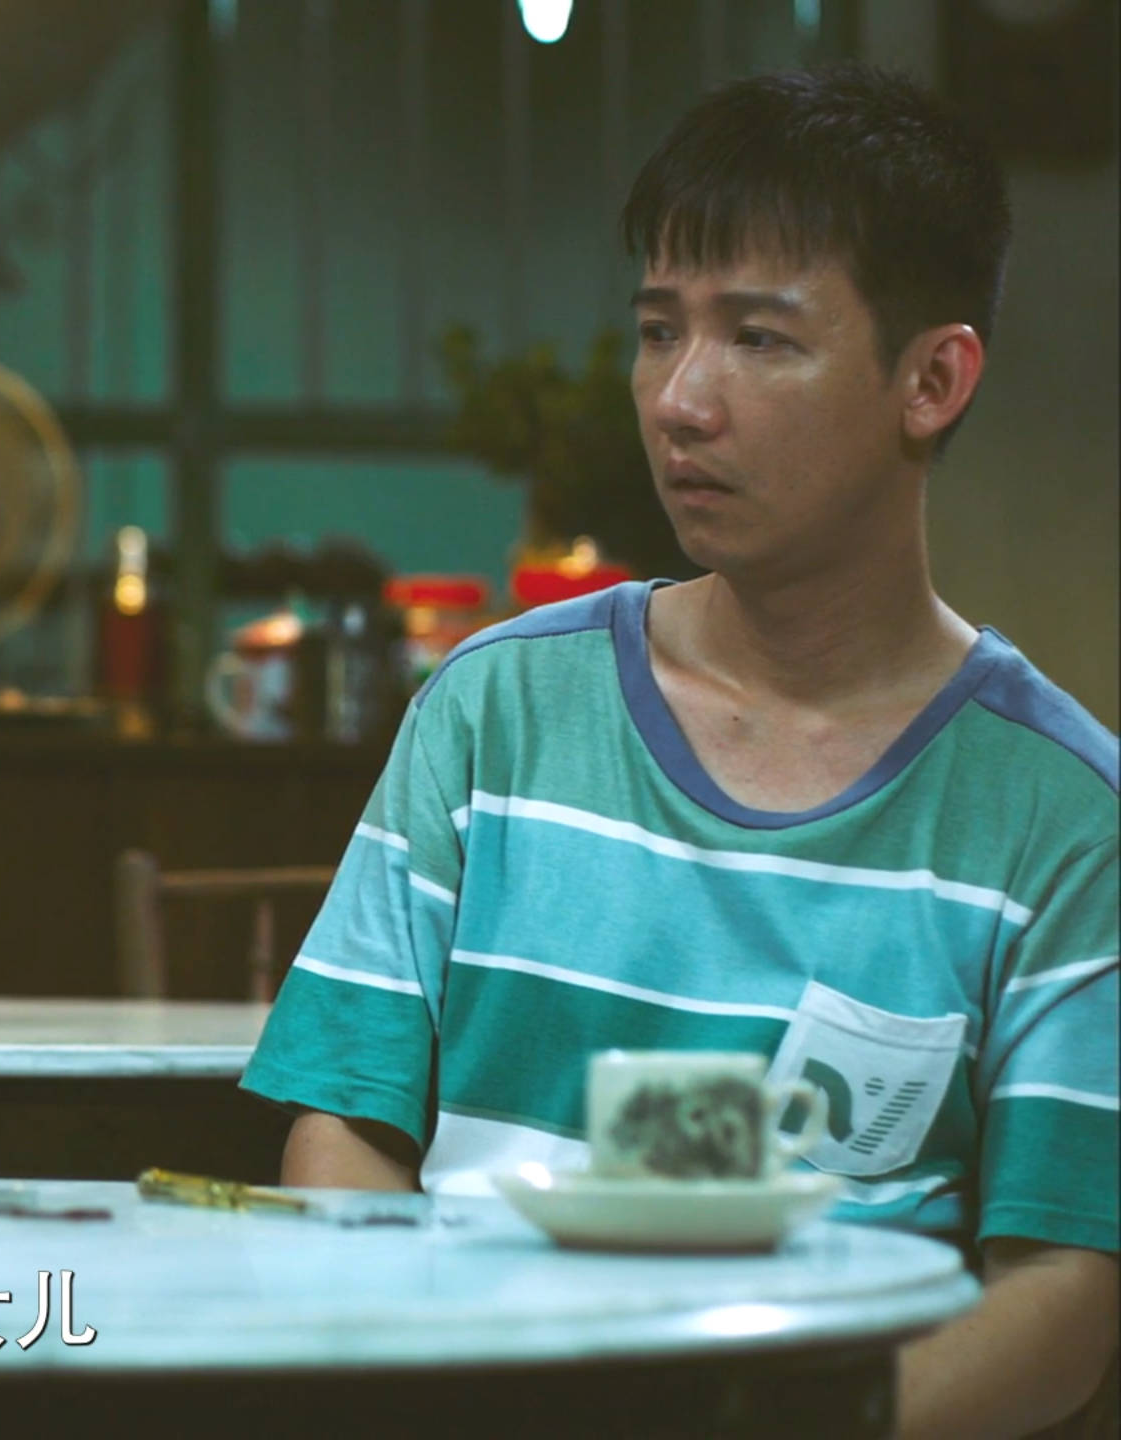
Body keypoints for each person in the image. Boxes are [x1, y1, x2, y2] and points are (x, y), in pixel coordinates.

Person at [243, 65, 1115, 1436]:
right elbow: (346, 1126)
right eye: (659, 332)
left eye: (760, 339)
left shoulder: (1059, 812)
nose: (679, 400)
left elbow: (1061, 1290)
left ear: (932, 379)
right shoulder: (496, 709)